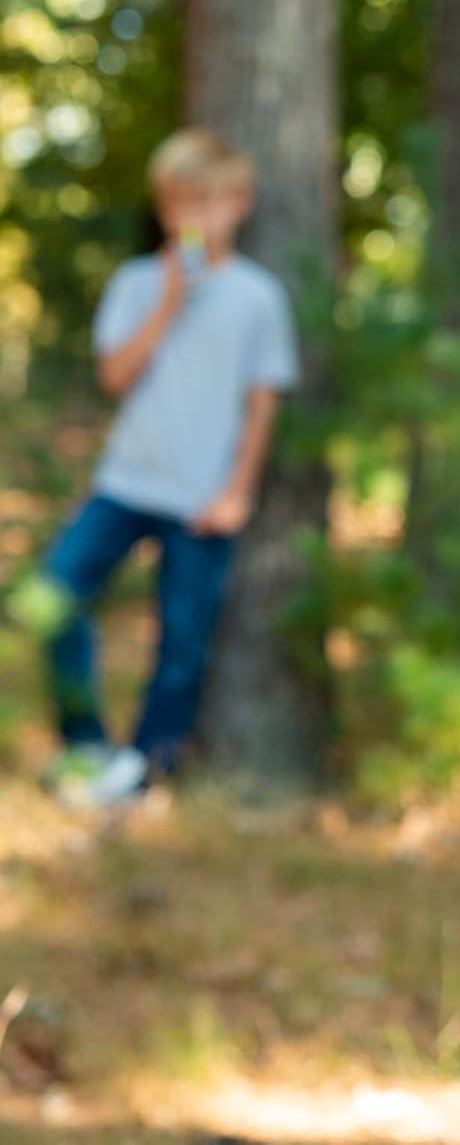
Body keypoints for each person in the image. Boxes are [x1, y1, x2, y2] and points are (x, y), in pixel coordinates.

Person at [36, 127, 300, 808]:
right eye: (179, 204)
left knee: (182, 640)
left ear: (238, 202)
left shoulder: (258, 296)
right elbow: (116, 376)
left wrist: (238, 491)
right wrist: (167, 304)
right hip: (124, 483)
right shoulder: (134, 282)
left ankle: (143, 772)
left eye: (206, 202)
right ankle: (85, 745)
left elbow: (261, 404)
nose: (192, 218)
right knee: (54, 597)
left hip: (201, 498)